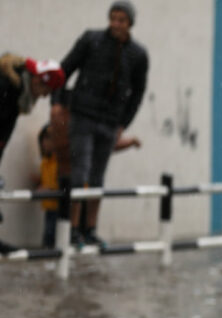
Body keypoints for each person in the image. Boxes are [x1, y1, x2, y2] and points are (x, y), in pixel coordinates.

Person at [59, 1, 149, 246]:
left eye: (121, 20)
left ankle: (90, 229)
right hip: (82, 116)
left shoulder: (138, 54)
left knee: (97, 178)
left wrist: (124, 123)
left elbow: (138, 93)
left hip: (110, 122)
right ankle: (72, 229)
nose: (116, 24)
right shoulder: (91, 39)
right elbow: (65, 69)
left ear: (130, 23)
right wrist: (59, 102)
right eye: (113, 18)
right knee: (79, 174)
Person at [0, 53, 64, 249]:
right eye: (46, 89)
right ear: (37, 80)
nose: (44, 96)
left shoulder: (16, 92)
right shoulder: (8, 87)